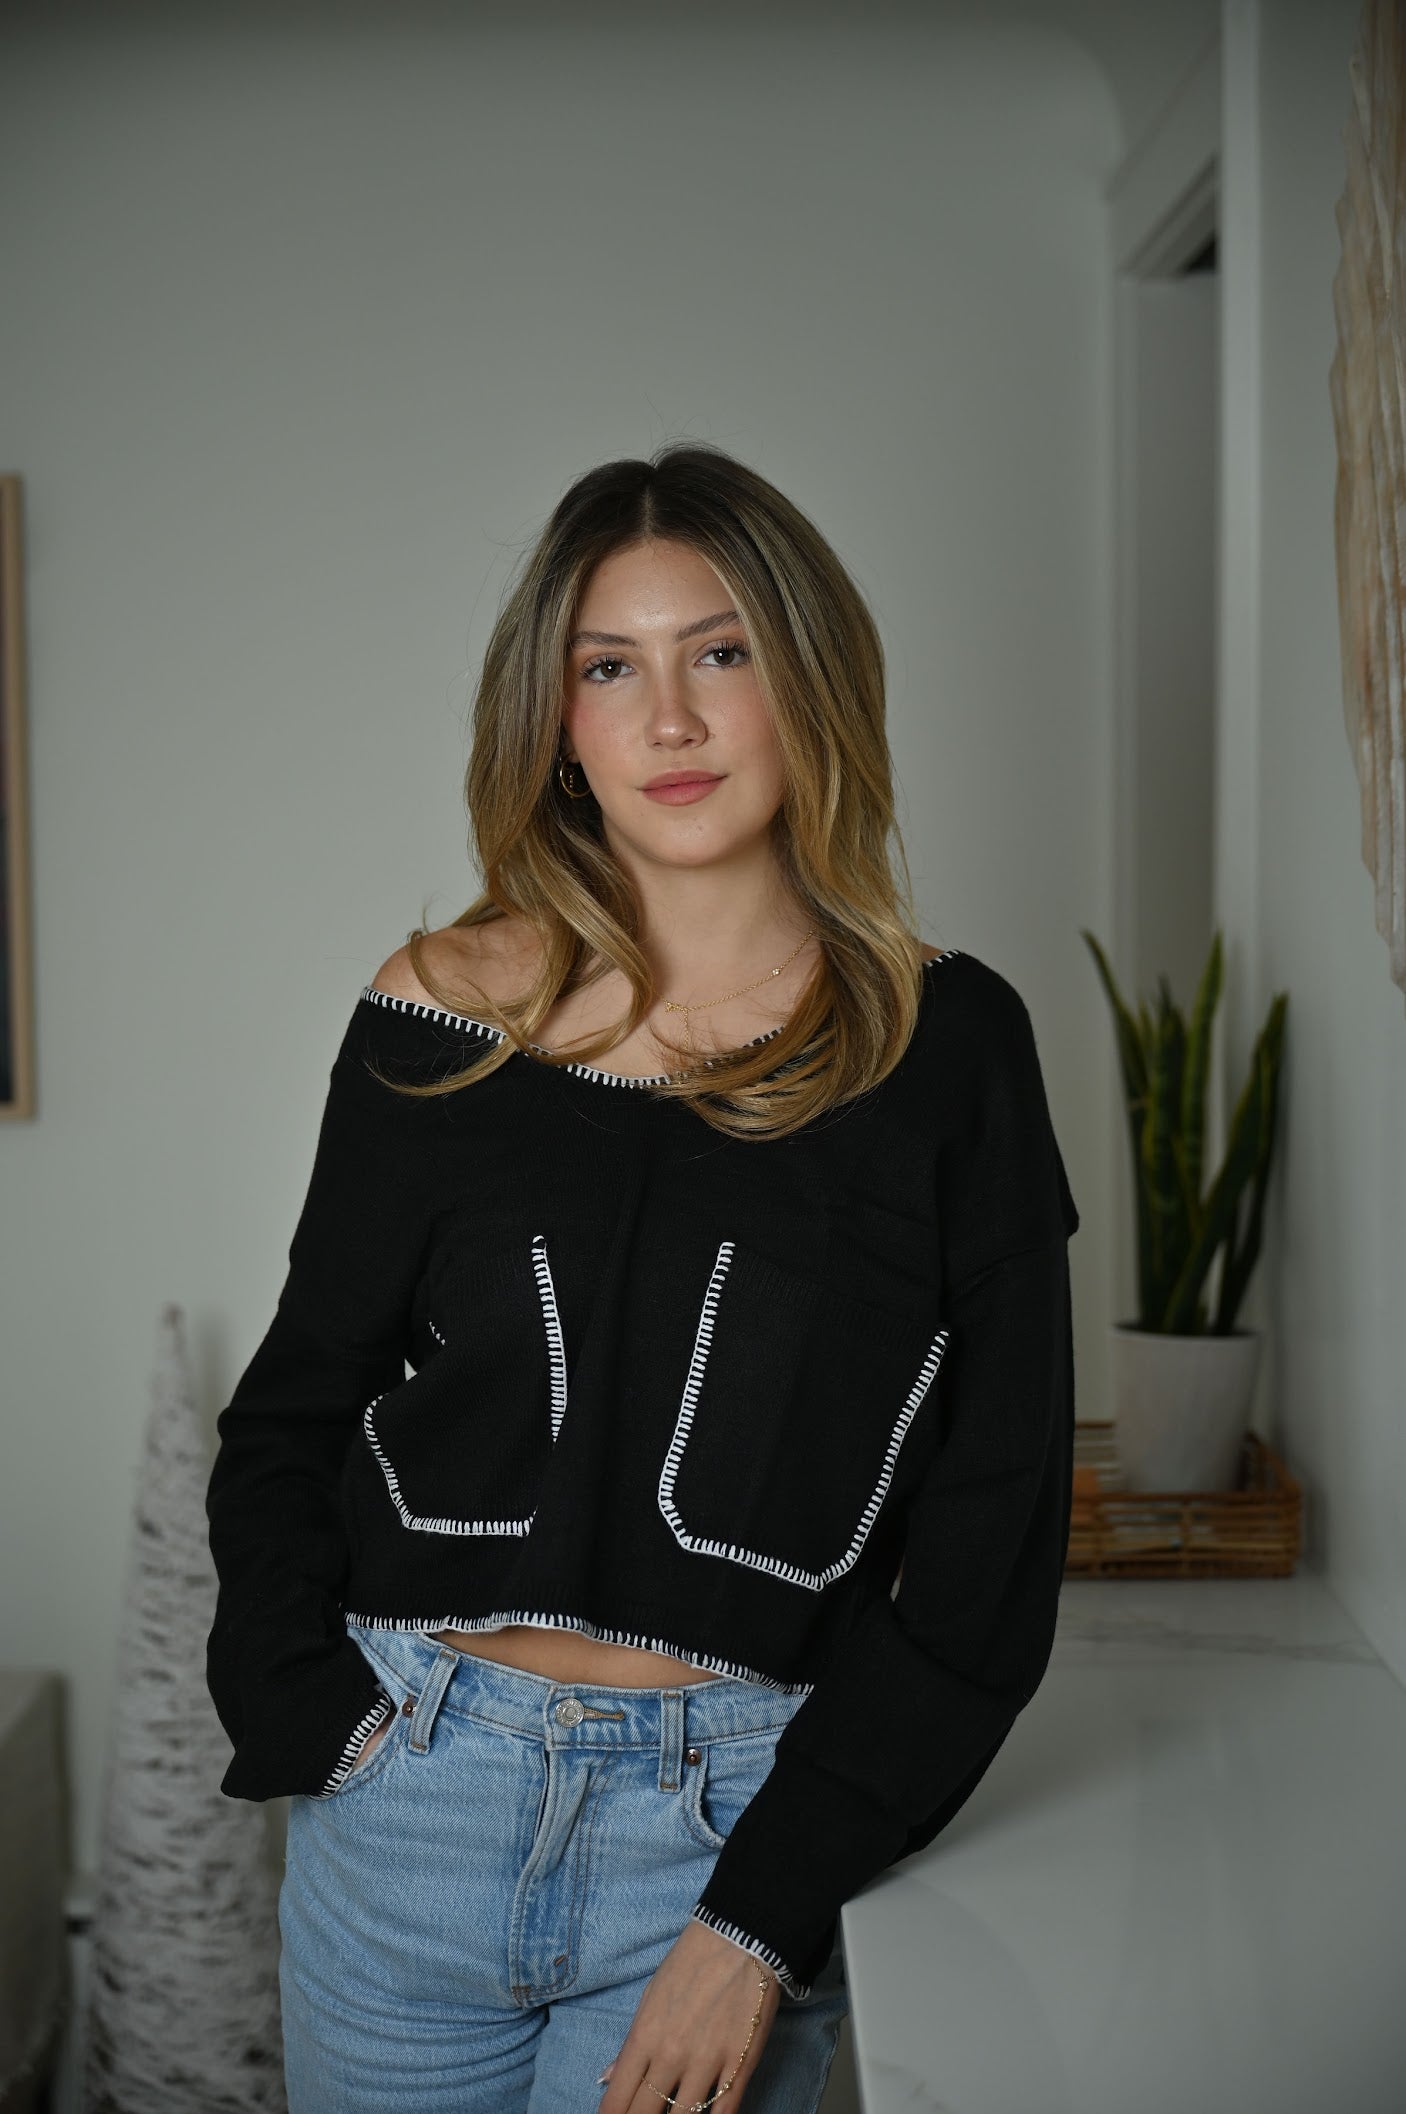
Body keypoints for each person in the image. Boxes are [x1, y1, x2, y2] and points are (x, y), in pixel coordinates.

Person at [204, 441, 1081, 2114]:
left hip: (723, 1829)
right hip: (405, 1800)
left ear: (808, 680)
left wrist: (760, 1916)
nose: (668, 719)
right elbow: (297, 1404)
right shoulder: (442, 1009)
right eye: (610, 666)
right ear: (556, 716)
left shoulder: (948, 1047)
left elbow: (991, 1539)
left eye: (720, 652)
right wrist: (314, 1718)